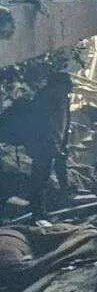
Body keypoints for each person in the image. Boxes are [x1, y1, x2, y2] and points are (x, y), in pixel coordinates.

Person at [0, 71, 72, 216]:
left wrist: (62, 144)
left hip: (54, 141)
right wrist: (53, 145)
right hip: (41, 142)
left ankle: (63, 193)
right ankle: (37, 210)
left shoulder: (62, 99)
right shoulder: (44, 99)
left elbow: (63, 123)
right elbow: (43, 126)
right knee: (40, 175)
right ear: (57, 85)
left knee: (53, 168)